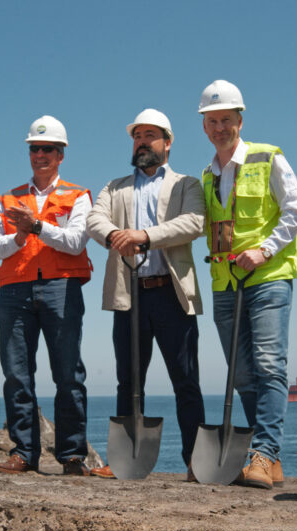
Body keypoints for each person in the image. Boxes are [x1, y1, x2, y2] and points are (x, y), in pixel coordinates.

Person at [198, 80, 297, 489]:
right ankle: (271, 459)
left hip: (267, 277)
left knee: (268, 365)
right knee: (241, 374)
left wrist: (264, 250)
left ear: (240, 121)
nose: (219, 127)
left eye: (226, 119)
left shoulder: (268, 157)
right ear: (204, 126)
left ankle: (262, 453)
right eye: (212, 121)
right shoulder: (206, 176)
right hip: (225, 282)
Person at [87, 109, 205, 479]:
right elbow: (94, 219)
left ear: (167, 143)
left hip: (171, 293)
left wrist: (144, 236)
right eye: (137, 136)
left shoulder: (187, 185)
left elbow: (195, 222)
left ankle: (195, 461)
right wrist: (114, 236)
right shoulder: (115, 186)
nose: (142, 142)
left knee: (185, 380)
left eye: (150, 135)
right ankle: (123, 462)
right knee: (128, 379)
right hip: (130, 294)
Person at [0, 115, 92, 476]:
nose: (40, 154)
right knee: (17, 374)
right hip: (14, 289)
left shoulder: (78, 196)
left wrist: (36, 227)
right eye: (35, 148)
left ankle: (73, 455)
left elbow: (77, 241)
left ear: (61, 154)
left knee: (68, 373)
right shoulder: (9, 198)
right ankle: (23, 453)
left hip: (61, 287)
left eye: (48, 148)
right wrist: (19, 238)